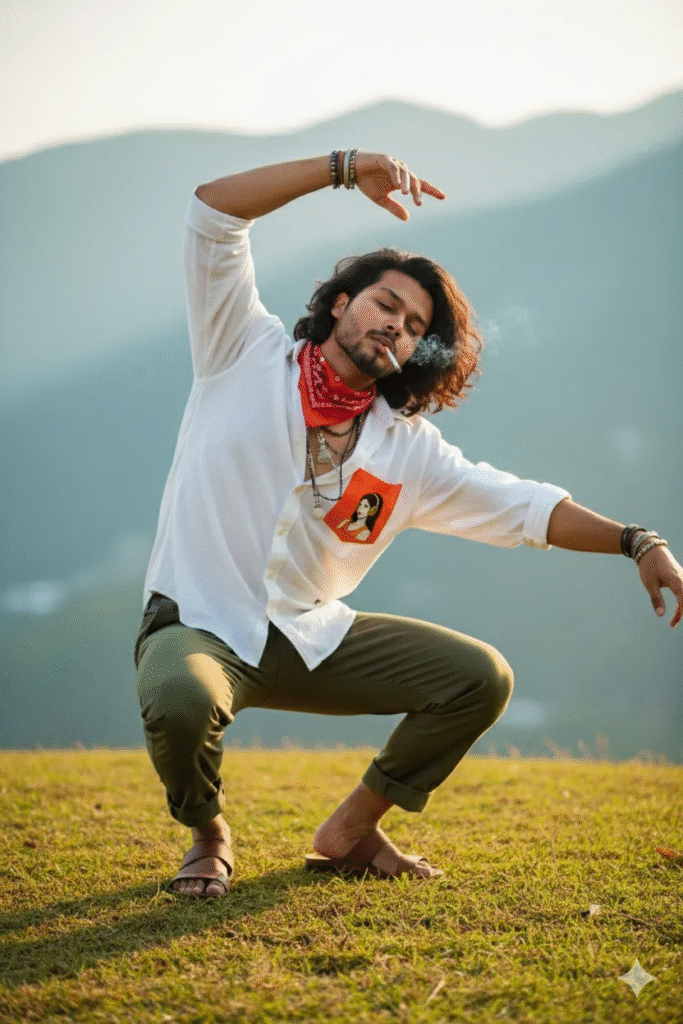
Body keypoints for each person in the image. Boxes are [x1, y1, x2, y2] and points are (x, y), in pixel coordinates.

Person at [135, 150, 683, 897]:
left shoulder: (407, 451)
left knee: (477, 678)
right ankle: (208, 833)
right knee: (181, 698)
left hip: (305, 634)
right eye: (384, 304)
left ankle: (351, 830)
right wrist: (344, 166)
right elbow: (213, 212)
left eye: (414, 323)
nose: (395, 325)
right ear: (340, 304)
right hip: (195, 619)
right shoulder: (240, 349)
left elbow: (523, 506)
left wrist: (635, 540)